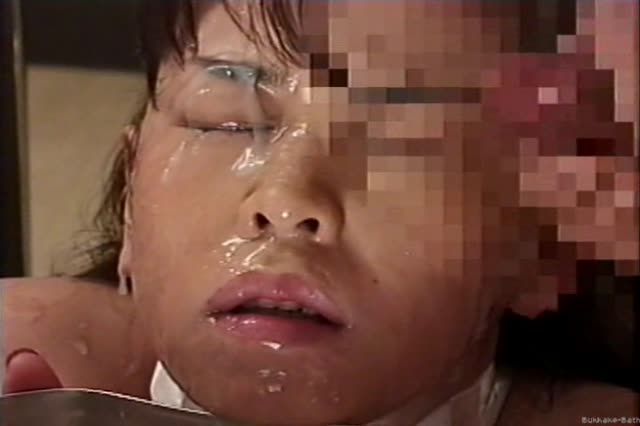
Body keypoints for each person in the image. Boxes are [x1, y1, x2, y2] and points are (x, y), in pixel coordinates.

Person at [2, 0, 638, 424]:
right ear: (132, 200)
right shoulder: (30, 361)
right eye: (224, 121)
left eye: (400, 142)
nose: (286, 200)